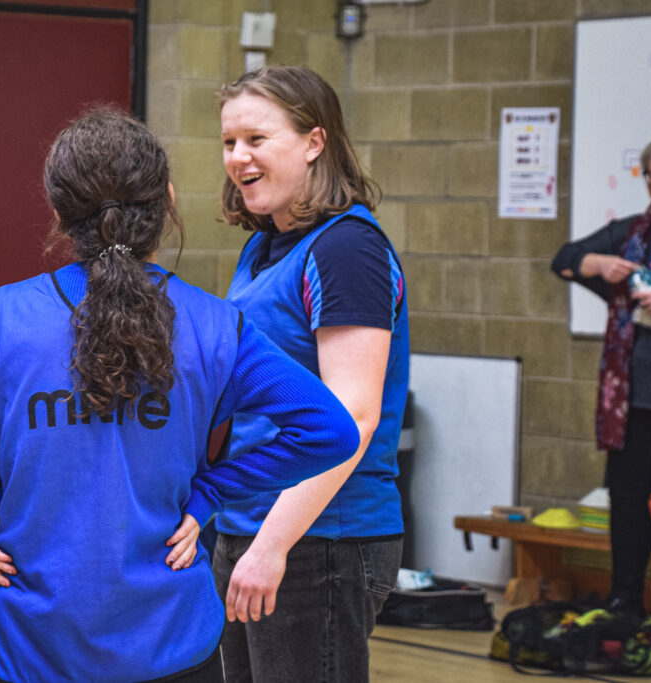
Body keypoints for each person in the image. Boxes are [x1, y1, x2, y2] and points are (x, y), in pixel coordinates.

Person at [0, 108, 360, 683]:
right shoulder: (218, 328)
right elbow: (330, 431)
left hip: (27, 645)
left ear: (59, 212)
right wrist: (211, 493)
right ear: (167, 201)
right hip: (170, 645)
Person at [211, 65, 409, 682]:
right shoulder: (262, 246)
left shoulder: (346, 248)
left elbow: (352, 416)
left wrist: (272, 546)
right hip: (247, 523)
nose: (238, 157)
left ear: (314, 143)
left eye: (256, 139)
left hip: (321, 540)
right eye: (229, 142)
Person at [552, 137, 651, 650]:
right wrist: (597, 264)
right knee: (626, 500)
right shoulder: (630, 232)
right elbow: (563, 258)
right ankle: (625, 600)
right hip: (631, 397)